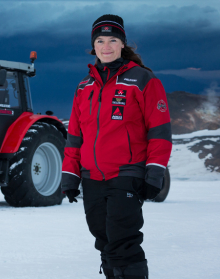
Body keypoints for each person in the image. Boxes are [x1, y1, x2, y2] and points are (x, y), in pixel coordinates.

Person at [61, 14, 172, 279]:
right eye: (100, 40)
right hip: (92, 177)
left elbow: (160, 131)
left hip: (127, 173)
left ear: (123, 43)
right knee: (104, 239)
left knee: (123, 241)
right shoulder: (84, 87)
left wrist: (154, 174)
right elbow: (75, 137)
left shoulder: (143, 80)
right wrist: (70, 176)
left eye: (112, 40)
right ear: (94, 46)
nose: (106, 46)